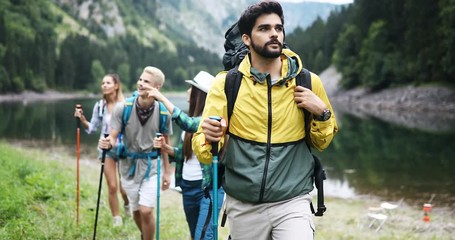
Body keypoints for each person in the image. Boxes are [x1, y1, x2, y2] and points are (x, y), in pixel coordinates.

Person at [192, 1, 339, 239]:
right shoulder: (227, 84)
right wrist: (209, 138)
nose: (274, 33)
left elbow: (321, 143)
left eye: (278, 28)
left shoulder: (308, 82)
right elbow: (204, 151)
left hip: (293, 200)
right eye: (264, 28)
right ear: (247, 39)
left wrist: (322, 113)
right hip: (244, 203)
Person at [98, 66, 173, 240]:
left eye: (146, 81)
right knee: (136, 212)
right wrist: (106, 142)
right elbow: (113, 137)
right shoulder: (122, 108)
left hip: (152, 167)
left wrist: (167, 172)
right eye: (140, 79)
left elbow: (166, 146)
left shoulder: (163, 112)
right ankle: (145, 235)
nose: (140, 83)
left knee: (146, 211)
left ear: (156, 87)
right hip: (128, 167)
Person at [150, 71, 225, 240]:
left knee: (204, 236)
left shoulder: (209, 122)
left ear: (199, 94)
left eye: (191, 88)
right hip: (188, 187)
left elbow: (186, 122)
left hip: (207, 189)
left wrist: (161, 98)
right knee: (195, 235)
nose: (187, 91)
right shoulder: (192, 123)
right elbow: (185, 156)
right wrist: (166, 148)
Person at [74, 73, 130, 227]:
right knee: (112, 186)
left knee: (124, 189)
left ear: (116, 86)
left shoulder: (126, 105)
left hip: (124, 149)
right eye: (103, 83)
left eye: (108, 82)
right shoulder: (100, 106)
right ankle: (116, 219)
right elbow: (92, 129)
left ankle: (127, 205)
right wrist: (82, 119)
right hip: (106, 150)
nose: (104, 85)